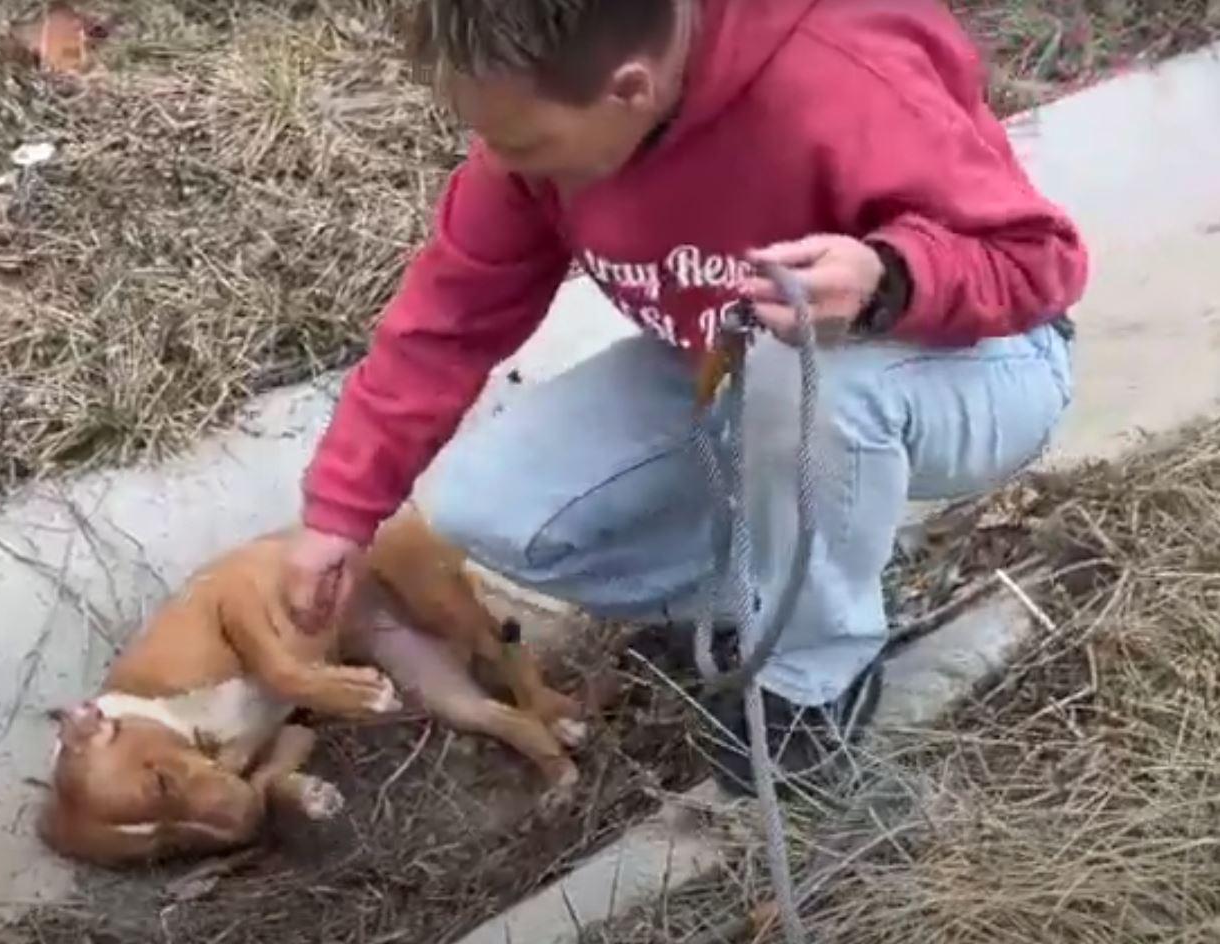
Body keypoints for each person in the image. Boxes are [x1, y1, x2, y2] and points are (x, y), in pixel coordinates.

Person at [280, 0, 1086, 795]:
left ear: (630, 88)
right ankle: (789, 593)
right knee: (489, 510)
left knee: (804, 373)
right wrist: (340, 513)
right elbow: (447, 320)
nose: (502, 161)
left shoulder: (836, 69)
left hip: (975, 358)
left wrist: (887, 276)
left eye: (523, 142)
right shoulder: (543, 125)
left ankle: (814, 673)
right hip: (735, 366)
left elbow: (1035, 259)